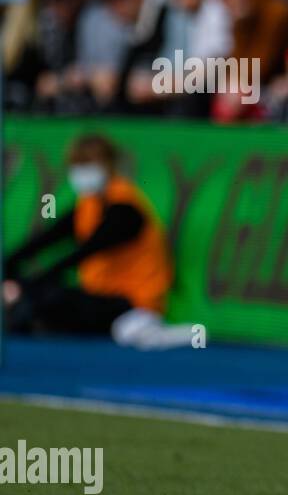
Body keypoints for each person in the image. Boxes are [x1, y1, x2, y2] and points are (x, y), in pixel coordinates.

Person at [3, 134, 175, 342]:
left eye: (88, 164)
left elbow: (86, 251)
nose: (80, 172)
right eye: (77, 165)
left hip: (134, 303)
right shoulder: (88, 205)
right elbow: (47, 239)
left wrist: (29, 285)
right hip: (100, 295)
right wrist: (8, 264)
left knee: (51, 297)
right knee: (47, 294)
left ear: (108, 165)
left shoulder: (126, 209)